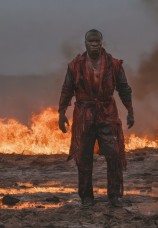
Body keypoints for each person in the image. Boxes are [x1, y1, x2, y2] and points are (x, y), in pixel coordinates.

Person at [58, 29, 134, 207]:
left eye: (97, 42)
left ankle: (114, 196)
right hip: (84, 115)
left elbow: (124, 88)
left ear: (101, 43)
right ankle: (86, 197)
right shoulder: (75, 65)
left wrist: (130, 110)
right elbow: (67, 90)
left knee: (114, 154)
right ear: (85, 44)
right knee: (84, 157)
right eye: (90, 42)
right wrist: (61, 114)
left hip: (107, 114)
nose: (94, 45)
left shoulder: (113, 64)